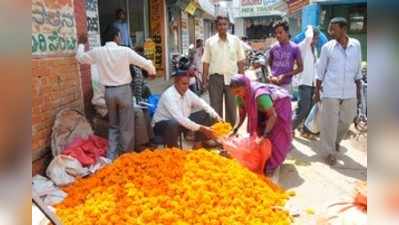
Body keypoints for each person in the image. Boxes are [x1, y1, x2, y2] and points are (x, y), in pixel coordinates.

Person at [75, 26, 156, 160]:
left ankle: (111, 158)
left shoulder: (98, 51)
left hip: (109, 93)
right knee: (126, 127)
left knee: (113, 126)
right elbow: (145, 63)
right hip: (123, 91)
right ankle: (125, 158)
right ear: (116, 37)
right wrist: (152, 71)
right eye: (120, 35)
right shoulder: (125, 51)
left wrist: (81, 44)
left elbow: (80, 58)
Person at [315, 17, 362, 166]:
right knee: (330, 122)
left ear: (343, 29)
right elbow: (320, 71)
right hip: (330, 89)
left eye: (333, 29)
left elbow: (358, 69)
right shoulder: (327, 48)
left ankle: (335, 141)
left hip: (349, 89)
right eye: (329, 28)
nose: (330, 32)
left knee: (348, 118)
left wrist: (359, 91)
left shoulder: (356, 45)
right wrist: (317, 92)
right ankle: (329, 152)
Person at [230, 74, 292, 175]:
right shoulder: (239, 97)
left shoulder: (260, 95)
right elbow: (242, 115)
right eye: (234, 93)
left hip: (279, 105)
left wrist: (265, 135)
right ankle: (262, 159)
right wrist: (235, 129)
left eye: (238, 91)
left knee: (276, 135)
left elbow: (273, 116)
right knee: (257, 132)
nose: (237, 95)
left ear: (246, 86)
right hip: (263, 108)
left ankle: (272, 164)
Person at [152, 69, 222, 148]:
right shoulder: (169, 96)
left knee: (208, 114)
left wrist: (216, 116)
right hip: (163, 126)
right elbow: (180, 119)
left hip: (181, 122)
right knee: (173, 122)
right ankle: (173, 149)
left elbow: (202, 103)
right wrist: (203, 129)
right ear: (175, 83)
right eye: (183, 84)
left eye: (188, 84)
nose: (186, 87)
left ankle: (198, 143)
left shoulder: (187, 92)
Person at [202, 15, 246, 125]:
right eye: (220, 24)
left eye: (224, 24)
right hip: (215, 78)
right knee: (215, 107)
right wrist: (204, 79)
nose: (222, 27)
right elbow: (206, 61)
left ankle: (230, 131)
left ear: (228, 26)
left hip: (232, 78)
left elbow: (240, 60)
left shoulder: (235, 41)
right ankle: (218, 132)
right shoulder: (209, 42)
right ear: (216, 27)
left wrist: (242, 79)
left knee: (231, 106)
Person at [292, 25, 320, 136]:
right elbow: (308, 37)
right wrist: (310, 27)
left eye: (317, 38)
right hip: (304, 82)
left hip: (312, 83)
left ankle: (304, 130)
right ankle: (289, 128)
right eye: (315, 37)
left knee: (310, 108)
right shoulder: (303, 46)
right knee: (303, 109)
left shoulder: (315, 49)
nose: (316, 40)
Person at [268, 20, 303, 91]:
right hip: (273, 84)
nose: (278, 35)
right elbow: (269, 64)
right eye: (276, 33)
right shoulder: (273, 47)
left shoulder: (295, 48)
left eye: (280, 32)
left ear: (287, 32)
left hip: (286, 86)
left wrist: (285, 75)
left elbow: (301, 68)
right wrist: (270, 75)